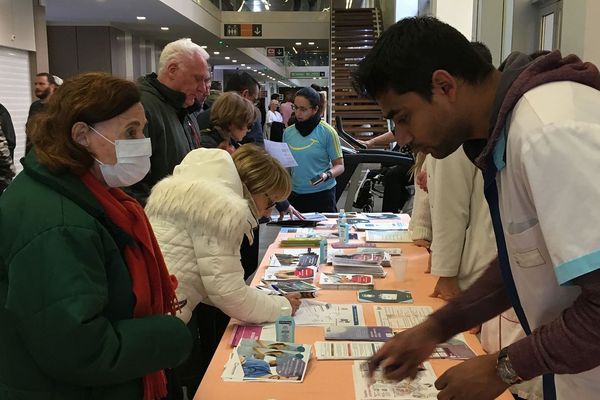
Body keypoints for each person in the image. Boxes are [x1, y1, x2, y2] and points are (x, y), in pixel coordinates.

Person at [353, 16, 600, 400]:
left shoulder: (549, 132)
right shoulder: (510, 132)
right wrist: (437, 328)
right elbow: (524, 262)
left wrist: (503, 368)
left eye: (403, 117)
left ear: (444, 85)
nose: (402, 137)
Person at [0, 72, 192, 399]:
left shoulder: (86, 196)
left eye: (142, 129)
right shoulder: (59, 223)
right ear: (81, 135)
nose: (142, 142)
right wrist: (169, 334)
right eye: (130, 131)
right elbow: (77, 346)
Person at [145, 145, 301, 394]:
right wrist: (282, 306)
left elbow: (210, 280)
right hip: (162, 318)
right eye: (269, 201)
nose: (269, 211)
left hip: (152, 307)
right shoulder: (221, 210)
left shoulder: (195, 189)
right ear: (253, 189)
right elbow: (229, 294)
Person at [127, 38, 211, 205]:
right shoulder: (140, 108)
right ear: (172, 70)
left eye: (205, 80)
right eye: (197, 79)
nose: (202, 88)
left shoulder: (186, 110)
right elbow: (131, 184)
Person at [283, 86, 344, 212]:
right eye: (295, 107)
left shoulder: (327, 132)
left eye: (303, 109)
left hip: (322, 195)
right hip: (295, 194)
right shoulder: (288, 133)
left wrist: (327, 175)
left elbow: (340, 166)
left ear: (315, 109)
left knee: (323, 231)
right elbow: (287, 166)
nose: (298, 113)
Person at [198, 71, 263, 147]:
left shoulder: (202, 117)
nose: (248, 129)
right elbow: (258, 148)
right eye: (254, 101)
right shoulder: (211, 144)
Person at [358, 131, 413, 212]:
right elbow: (396, 133)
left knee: (393, 174)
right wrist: (370, 142)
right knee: (375, 172)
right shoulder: (405, 125)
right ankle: (360, 201)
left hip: (417, 163)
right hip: (405, 158)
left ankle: (390, 214)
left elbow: (397, 133)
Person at [26, 73, 62, 153]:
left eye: (41, 84)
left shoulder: (60, 106)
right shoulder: (34, 106)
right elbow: (30, 135)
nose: (37, 87)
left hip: (54, 156)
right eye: (36, 84)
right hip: (35, 155)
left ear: (52, 86)